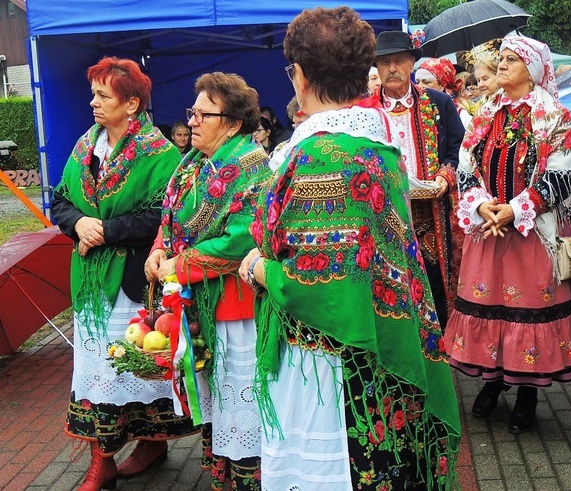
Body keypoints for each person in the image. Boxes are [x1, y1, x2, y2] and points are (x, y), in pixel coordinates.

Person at [238, 7, 460, 489]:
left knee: (331, 470)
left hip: (331, 359)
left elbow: (318, 282)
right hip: (370, 340)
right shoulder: (371, 144)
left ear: (298, 75)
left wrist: (257, 268)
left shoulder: (324, 158)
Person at [444, 35, 571, 434]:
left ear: (532, 70)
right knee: (491, 307)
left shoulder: (553, 115)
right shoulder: (486, 112)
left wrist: (514, 209)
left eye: (512, 59)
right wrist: (481, 205)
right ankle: (494, 380)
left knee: (526, 311)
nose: (502, 64)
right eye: (501, 58)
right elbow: (466, 165)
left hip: (530, 233)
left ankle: (527, 392)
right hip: (488, 229)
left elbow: (563, 175)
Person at [51, 56, 188, 491]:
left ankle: (151, 443)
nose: (92, 102)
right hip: (90, 283)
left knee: (134, 366)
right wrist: (77, 223)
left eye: (102, 95)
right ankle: (103, 460)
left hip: (132, 280)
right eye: (94, 93)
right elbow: (59, 199)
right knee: (97, 370)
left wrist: (105, 229)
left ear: (131, 105)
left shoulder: (159, 153)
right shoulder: (84, 146)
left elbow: (162, 217)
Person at [145, 71, 272, 490]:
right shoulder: (194, 162)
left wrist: (181, 264)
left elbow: (241, 239)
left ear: (233, 122)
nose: (193, 121)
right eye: (192, 113)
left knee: (242, 401)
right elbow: (171, 216)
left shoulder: (252, 167)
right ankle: (228, 478)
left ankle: (251, 480)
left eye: (203, 114)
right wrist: (160, 248)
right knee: (219, 399)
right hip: (202, 301)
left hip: (236, 306)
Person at [367, 30, 465, 329]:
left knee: (435, 283)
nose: (392, 68)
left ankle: (441, 351)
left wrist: (445, 178)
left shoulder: (438, 103)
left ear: (412, 64)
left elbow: (458, 149)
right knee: (392, 284)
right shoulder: (365, 111)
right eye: (385, 63)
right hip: (385, 214)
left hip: (430, 213)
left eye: (399, 60)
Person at [416, 57, 472, 127]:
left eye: (426, 82)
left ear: (442, 85)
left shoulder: (460, 115)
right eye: (417, 82)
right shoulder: (414, 110)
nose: (420, 86)